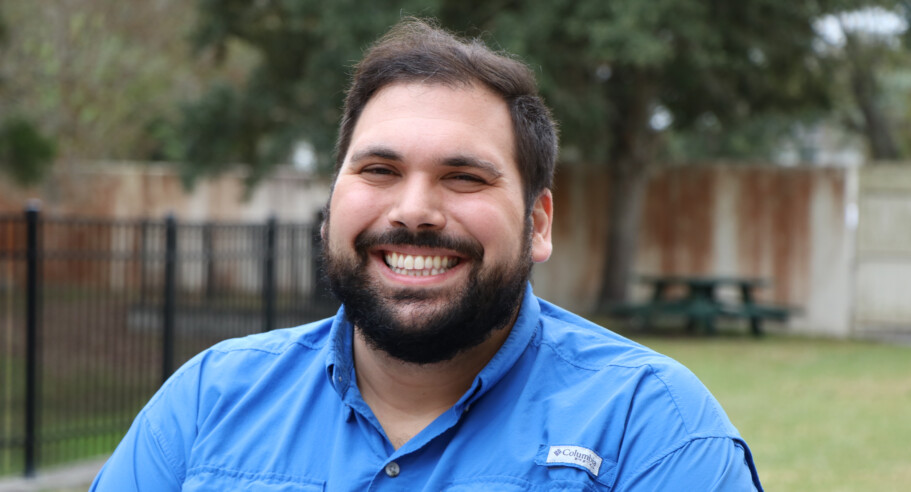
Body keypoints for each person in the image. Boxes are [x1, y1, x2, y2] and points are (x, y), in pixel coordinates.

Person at [92, 18, 763, 491]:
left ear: (537, 222)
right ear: (332, 202)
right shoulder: (210, 402)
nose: (413, 209)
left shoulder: (650, 427)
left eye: (463, 177)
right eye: (378, 170)